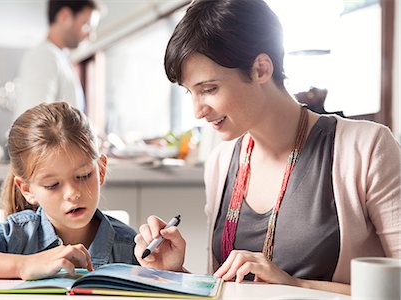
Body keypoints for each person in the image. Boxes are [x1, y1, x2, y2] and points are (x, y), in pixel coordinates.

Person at [133, 0, 401, 295]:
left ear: (261, 68)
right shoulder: (222, 160)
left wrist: (295, 285)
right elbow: (228, 288)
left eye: (209, 89)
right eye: (191, 93)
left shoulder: (367, 148)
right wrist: (175, 274)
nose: (198, 111)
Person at [0, 102, 138, 280]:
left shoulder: (131, 246)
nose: (72, 193)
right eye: (52, 185)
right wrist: (22, 265)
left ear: (100, 171)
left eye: (83, 176)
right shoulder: (16, 235)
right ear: (28, 190)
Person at [14, 0, 98, 117]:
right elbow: (34, 123)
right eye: (86, 26)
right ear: (65, 16)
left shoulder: (61, 58)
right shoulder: (44, 56)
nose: (91, 36)